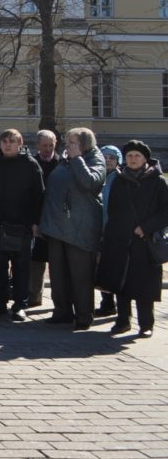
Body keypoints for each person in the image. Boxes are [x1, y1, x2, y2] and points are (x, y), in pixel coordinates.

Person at [96, 140, 168, 338]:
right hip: (120, 239)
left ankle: (146, 324)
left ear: (145, 158)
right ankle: (122, 321)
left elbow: (165, 211)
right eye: (129, 156)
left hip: (145, 241)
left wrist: (146, 228)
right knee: (122, 283)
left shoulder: (157, 180)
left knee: (144, 285)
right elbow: (111, 210)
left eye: (137, 156)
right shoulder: (119, 179)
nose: (133, 159)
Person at [39, 127, 106, 330]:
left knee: (80, 275)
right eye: (67, 143)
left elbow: (91, 183)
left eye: (72, 143)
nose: (67, 147)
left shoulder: (95, 159)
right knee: (58, 275)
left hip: (80, 229)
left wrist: (77, 159)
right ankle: (62, 311)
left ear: (85, 143)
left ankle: (84, 315)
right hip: (56, 227)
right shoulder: (65, 160)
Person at [0, 129, 44, 320]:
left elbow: (39, 196)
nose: (7, 144)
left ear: (20, 143)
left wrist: (35, 222)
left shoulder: (31, 165)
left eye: (11, 141)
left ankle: (20, 305)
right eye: (4, 141)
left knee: (21, 268)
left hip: (22, 226)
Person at [30, 129, 60, 308]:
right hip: (37, 219)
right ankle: (34, 297)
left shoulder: (62, 163)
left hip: (57, 220)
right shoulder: (32, 164)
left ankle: (59, 300)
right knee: (36, 261)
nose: (48, 149)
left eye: (51, 145)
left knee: (57, 263)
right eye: (44, 146)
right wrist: (34, 221)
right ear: (37, 145)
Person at [95, 145, 122, 317]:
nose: (108, 160)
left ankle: (119, 305)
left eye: (112, 157)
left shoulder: (120, 179)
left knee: (115, 269)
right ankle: (107, 303)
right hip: (98, 230)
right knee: (101, 269)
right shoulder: (99, 177)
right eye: (105, 157)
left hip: (114, 232)